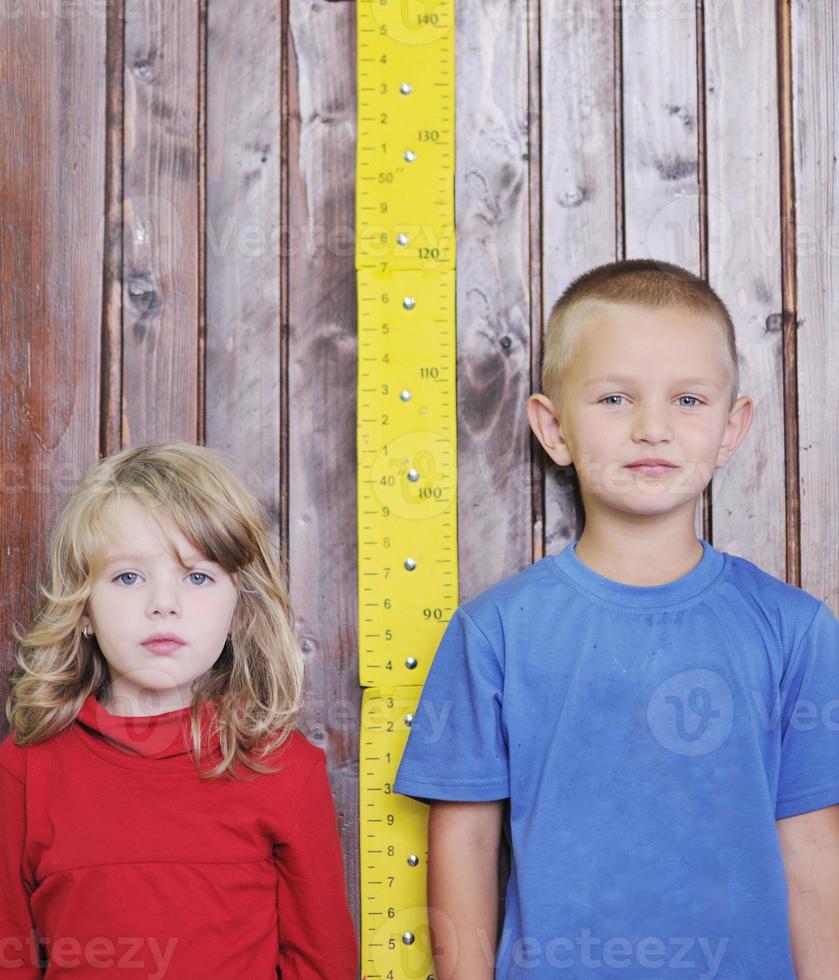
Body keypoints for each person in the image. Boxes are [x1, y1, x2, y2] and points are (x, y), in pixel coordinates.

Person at [393, 259, 839, 979]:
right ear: (553, 427)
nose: (652, 428)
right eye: (613, 398)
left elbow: (811, 848)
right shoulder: (494, 631)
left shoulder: (796, 630)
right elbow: (464, 845)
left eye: (688, 400)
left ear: (732, 429)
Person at [0, 441, 358, 979]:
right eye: (127, 577)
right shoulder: (24, 772)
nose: (163, 603)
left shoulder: (286, 768)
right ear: (84, 612)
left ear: (240, 608)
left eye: (197, 576)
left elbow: (324, 962)